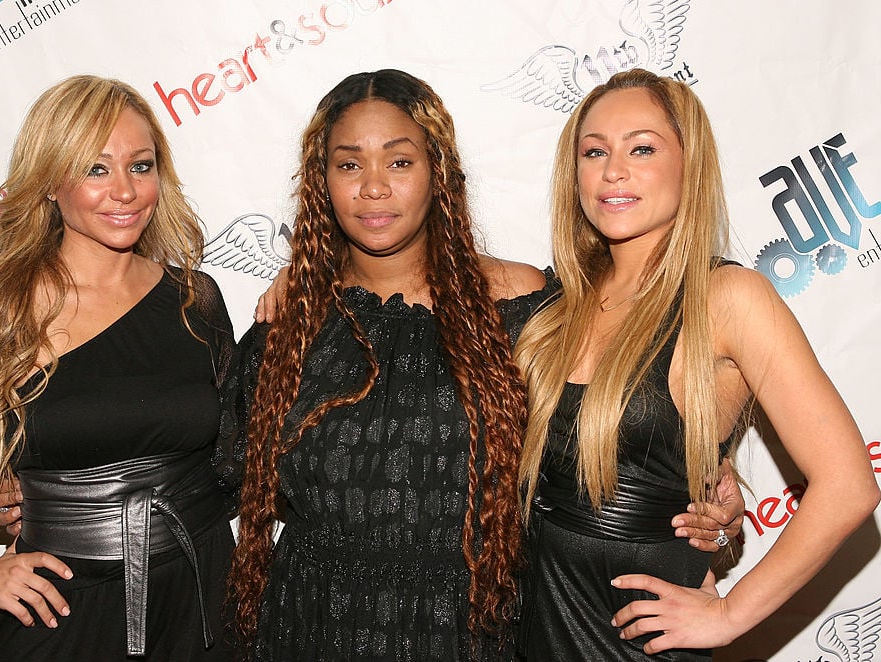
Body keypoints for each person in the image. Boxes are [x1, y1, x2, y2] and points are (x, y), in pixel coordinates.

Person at [217, 69, 742, 662]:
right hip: (311, 625)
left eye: (399, 162)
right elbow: (223, 476)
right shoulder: (289, 325)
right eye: (348, 164)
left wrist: (704, 473)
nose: (373, 188)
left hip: (471, 628)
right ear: (322, 180)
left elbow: (612, 407)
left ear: (439, 171)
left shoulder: (524, 307)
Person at [0, 75, 236, 661]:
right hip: (63, 607)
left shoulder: (196, 299)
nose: (124, 191)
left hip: (201, 592)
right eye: (95, 169)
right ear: (50, 183)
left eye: (140, 166)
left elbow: (240, 448)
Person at [512, 68, 880, 660]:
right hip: (530, 619)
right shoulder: (557, 305)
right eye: (594, 152)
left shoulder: (727, 298)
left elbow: (848, 484)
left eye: (642, 148)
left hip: (632, 638)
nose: (613, 170)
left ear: (690, 165)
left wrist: (730, 614)